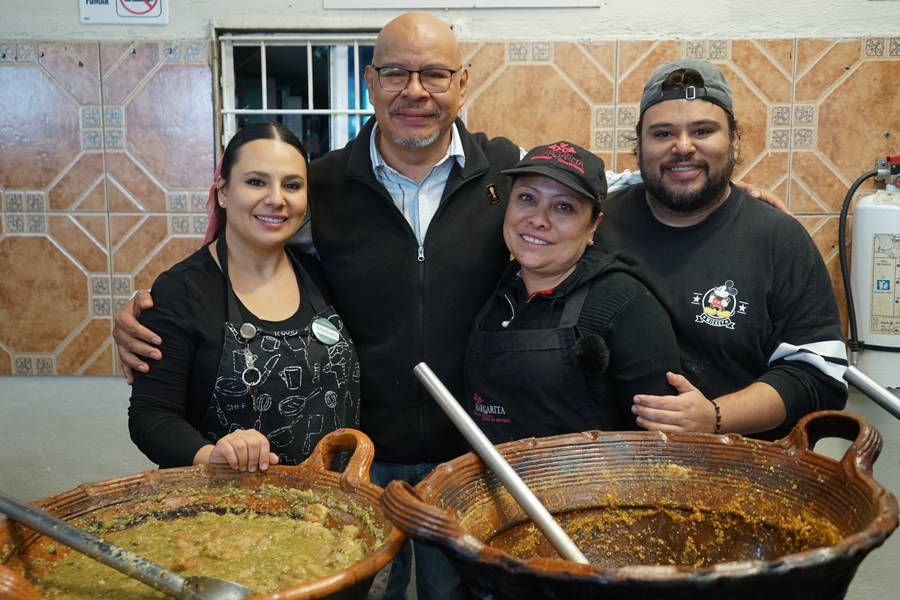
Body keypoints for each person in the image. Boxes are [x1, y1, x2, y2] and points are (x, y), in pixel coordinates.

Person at [112, 14, 791, 599]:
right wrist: (158, 308)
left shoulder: (507, 176)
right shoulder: (322, 187)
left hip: (468, 463)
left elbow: (598, 185)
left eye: (435, 75)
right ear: (372, 81)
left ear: (463, 85)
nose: (416, 91)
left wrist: (725, 196)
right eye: (398, 74)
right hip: (356, 461)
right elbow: (250, 228)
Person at [597, 58, 848, 439]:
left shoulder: (778, 239)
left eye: (702, 130)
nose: (683, 147)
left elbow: (817, 374)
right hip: (606, 463)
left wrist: (715, 417)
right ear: (639, 145)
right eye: (662, 134)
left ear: (733, 140)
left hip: (740, 472)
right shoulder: (594, 226)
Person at [128, 122, 359, 472]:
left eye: (292, 185)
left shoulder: (323, 274)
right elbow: (151, 416)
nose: (276, 199)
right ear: (222, 192)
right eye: (256, 182)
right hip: (229, 515)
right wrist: (213, 455)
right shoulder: (183, 290)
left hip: (328, 511)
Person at [464, 141, 681, 441]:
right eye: (527, 198)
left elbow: (662, 443)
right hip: (488, 482)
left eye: (563, 207)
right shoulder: (496, 285)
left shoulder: (626, 304)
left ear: (594, 225)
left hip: (588, 486)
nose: (538, 219)